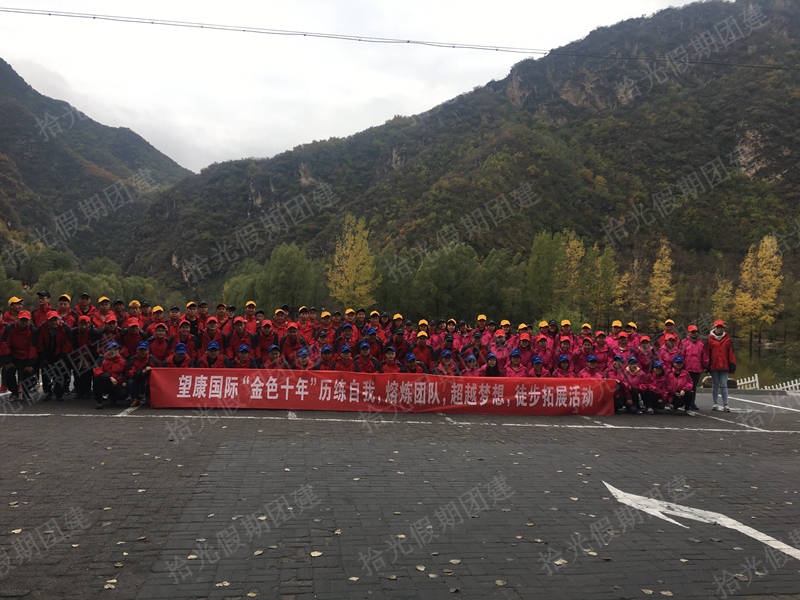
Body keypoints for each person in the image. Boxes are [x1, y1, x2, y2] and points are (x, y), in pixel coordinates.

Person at [1, 310, 38, 400]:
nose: (23, 322)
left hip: (27, 356)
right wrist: (8, 361)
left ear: (29, 321)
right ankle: (14, 393)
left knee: (31, 374)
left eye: (26, 320)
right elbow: (5, 344)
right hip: (13, 355)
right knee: (9, 372)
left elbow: (33, 347)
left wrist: (30, 364)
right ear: (17, 319)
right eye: (22, 320)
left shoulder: (33, 330)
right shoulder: (10, 329)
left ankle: (26, 392)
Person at [36, 310, 73, 401]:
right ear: (47, 321)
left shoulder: (65, 328)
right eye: (51, 321)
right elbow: (40, 343)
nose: (53, 322)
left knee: (60, 373)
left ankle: (59, 393)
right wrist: (43, 357)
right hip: (47, 353)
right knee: (46, 373)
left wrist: (62, 358)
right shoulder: (42, 328)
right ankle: (47, 392)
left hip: (60, 353)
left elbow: (67, 345)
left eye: (55, 320)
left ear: (58, 320)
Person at [707, 320, 736, 412]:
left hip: (724, 366)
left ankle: (726, 404)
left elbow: (731, 353)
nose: (719, 329)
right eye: (718, 327)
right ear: (714, 328)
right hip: (714, 365)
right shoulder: (710, 339)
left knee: (723, 384)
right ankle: (715, 403)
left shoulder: (727, 340)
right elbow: (707, 353)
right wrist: (707, 364)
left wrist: (732, 364)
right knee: (715, 384)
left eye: (721, 327)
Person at [93, 341, 129, 409]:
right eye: (110, 349)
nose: (112, 351)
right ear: (106, 350)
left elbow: (127, 373)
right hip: (105, 381)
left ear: (118, 350)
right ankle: (99, 401)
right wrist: (109, 377)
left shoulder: (123, 361)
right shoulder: (101, 359)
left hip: (117, 382)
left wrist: (125, 381)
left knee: (123, 394)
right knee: (97, 380)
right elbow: (96, 371)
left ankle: (113, 398)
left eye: (115, 349)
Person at [681, 325, 708, 411]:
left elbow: (704, 356)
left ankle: (692, 402)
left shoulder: (701, 344)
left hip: (697, 368)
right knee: (684, 386)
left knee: (693, 386)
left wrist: (705, 366)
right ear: (688, 332)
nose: (694, 333)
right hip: (686, 368)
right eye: (692, 332)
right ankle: (684, 402)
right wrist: (680, 366)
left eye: (695, 332)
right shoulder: (684, 343)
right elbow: (681, 355)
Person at [126, 341, 159, 406]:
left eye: (145, 350)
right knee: (130, 382)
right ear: (137, 350)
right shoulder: (132, 360)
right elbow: (130, 374)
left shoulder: (153, 360)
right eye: (141, 350)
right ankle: (135, 398)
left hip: (149, 381)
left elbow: (159, 372)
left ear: (148, 351)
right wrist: (142, 372)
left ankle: (149, 397)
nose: (143, 352)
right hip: (137, 380)